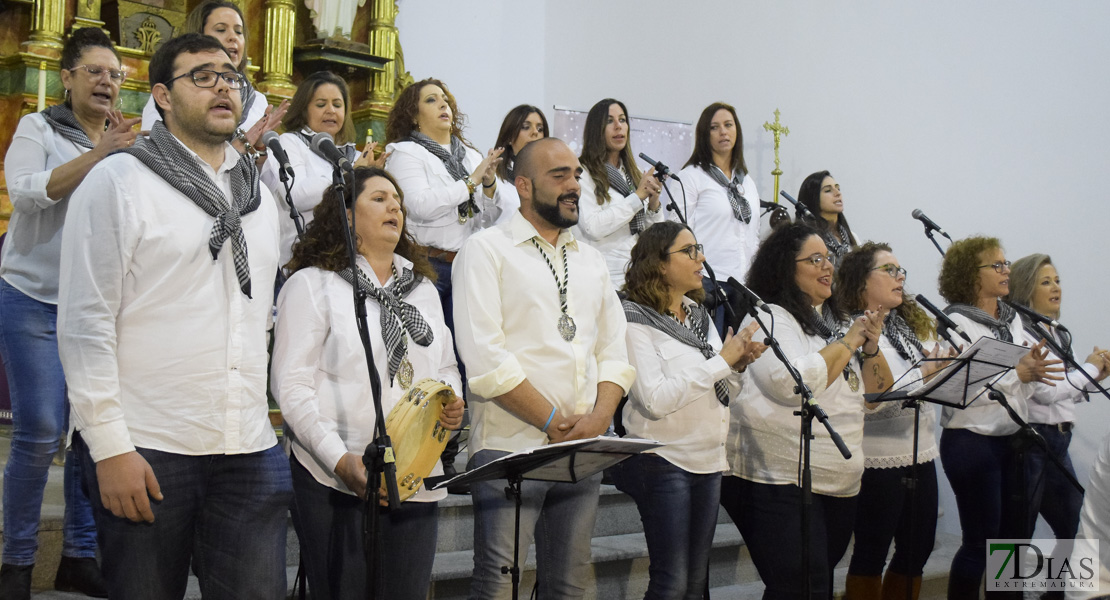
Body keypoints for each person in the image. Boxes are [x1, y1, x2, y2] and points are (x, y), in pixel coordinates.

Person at [56, 34, 292, 600]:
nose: (223, 86)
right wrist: (109, 446)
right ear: (162, 95)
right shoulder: (120, 181)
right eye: (203, 76)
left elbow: (258, 319)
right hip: (149, 443)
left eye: (231, 77)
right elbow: (86, 324)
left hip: (247, 446)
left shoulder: (257, 201)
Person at [452, 137, 636, 600]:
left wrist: (597, 421)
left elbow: (615, 353)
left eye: (576, 174)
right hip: (509, 447)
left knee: (572, 584)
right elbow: (485, 360)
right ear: (523, 187)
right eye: (560, 176)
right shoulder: (486, 250)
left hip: (581, 448)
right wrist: (553, 422)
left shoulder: (591, 260)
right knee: (498, 585)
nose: (574, 185)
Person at [271, 166, 465, 600]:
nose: (394, 205)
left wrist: (451, 400)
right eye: (379, 198)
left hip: (414, 473)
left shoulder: (423, 290)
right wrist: (341, 461)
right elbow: (291, 386)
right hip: (335, 476)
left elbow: (446, 366)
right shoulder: (313, 284)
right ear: (344, 213)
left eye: (397, 199)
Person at [0, 27, 136, 600]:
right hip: (32, 294)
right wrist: (99, 154)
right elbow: (27, 192)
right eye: (95, 71)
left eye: (114, 73)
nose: (107, 81)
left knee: (90, 434)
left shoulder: (126, 140)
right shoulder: (39, 127)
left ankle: (79, 557)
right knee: (40, 429)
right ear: (69, 78)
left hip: (93, 307)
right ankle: (15, 563)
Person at [723, 222, 893, 600]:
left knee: (809, 588)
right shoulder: (768, 317)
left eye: (828, 258)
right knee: (801, 587)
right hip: (778, 478)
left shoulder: (832, 324)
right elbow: (791, 386)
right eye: (815, 259)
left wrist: (868, 346)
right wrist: (850, 341)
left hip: (838, 481)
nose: (827, 266)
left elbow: (875, 395)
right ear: (786, 266)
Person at [611, 220, 765, 600]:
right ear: (660, 264)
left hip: (709, 459)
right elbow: (655, 399)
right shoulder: (633, 318)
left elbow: (723, 388)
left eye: (699, 248)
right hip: (664, 460)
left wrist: (738, 365)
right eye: (689, 251)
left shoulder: (697, 314)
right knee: (671, 581)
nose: (701, 258)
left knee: (696, 583)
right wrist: (722, 361)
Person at [384, 77, 504, 481]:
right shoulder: (405, 152)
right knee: (432, 358)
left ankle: (456, 450)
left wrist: (487, 184)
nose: (443, 106)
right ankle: (430, 453)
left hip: (470, 264)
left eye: (446, 100)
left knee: (467, 359)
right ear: (413, 112)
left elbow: (497, 213)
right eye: (431, 100)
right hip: (429, 266)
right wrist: (470, 182)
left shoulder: (468, 153)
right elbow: (417, 207)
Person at [936, 236, 1063, 599]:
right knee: (980, 543)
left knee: (1010, 544)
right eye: (998, 265)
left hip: (1013, 438)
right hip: (972, 441)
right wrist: (1017, 375)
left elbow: (1019, 384)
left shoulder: (1011, 321)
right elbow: (961, 388)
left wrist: (1031, 372)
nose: (1007, 270)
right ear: (972, 276)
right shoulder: (956, 323)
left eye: (1006, 264)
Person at [836, 243, 954, 600]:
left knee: (918, 551)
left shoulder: (912, 327)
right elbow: (871, 403)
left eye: (901, 270)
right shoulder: (849, 330)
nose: (900, 277)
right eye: (889, 270)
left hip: (921, 452)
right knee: (871, 553)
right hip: (877, 458)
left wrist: (946, 373)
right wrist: (926, 378)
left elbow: (927, 384)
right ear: (861, 282)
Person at [1006, 254, 1109, 599]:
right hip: (1033, 443)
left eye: (1058, 280)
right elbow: (1048, 393)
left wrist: (1097, 375)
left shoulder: (1058, 333)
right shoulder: (1022, 335)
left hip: (1059, 442)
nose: (1056, 288)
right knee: (1017, 534)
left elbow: (1070, 392)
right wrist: (1090, 370)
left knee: (1075, 530)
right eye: (1045, 281)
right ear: (1026, 289)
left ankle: (1055, 594)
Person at [141, 1, 287, 157]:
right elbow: (156, 151)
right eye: (221, 29)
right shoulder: (174, 92)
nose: (233, 37)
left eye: (239, 32)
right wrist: (235, 150)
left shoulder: (258, 101)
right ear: (199, 36)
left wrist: (259, 149)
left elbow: (264, 178)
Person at [263, 71, 378, 265]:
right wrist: (350, 175)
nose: (331, 110)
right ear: (304, 109)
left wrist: (375, 180)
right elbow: (296, 195)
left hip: (350, 259)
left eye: (337, 105)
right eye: (321, 104)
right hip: (300, 259)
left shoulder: (355, 156)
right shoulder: (289, 142)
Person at [677, 102, 763, 334]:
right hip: (709, 283)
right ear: (705, 135)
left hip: (745, 282)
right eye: (715, 127)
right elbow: (678, 232)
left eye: (728, 125)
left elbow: (753, 232)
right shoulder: (691, 177)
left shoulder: (746, 182)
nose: (723, 132)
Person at [575, 98, 664, 288]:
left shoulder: (634, 172)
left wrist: (654, 205)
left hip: (637, 277)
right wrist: (637, 198)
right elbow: (593, 228)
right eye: (609, 121)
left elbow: (650, 237)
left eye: (622, 120)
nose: (618, 126)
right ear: (595, 130)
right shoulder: (582, 171)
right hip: (601, 279)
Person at [491, 104, 548, 225]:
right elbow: (483, 221)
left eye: (540, 129)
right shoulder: (493, 177)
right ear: (510, 137)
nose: (535, 132)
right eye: (526, 127)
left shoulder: (551, 178)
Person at [796, 170, 857, 265]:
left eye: (838, 188)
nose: (837, 193)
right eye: (828, 190)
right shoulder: (809, 239)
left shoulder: (852, 237)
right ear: (813, 198)